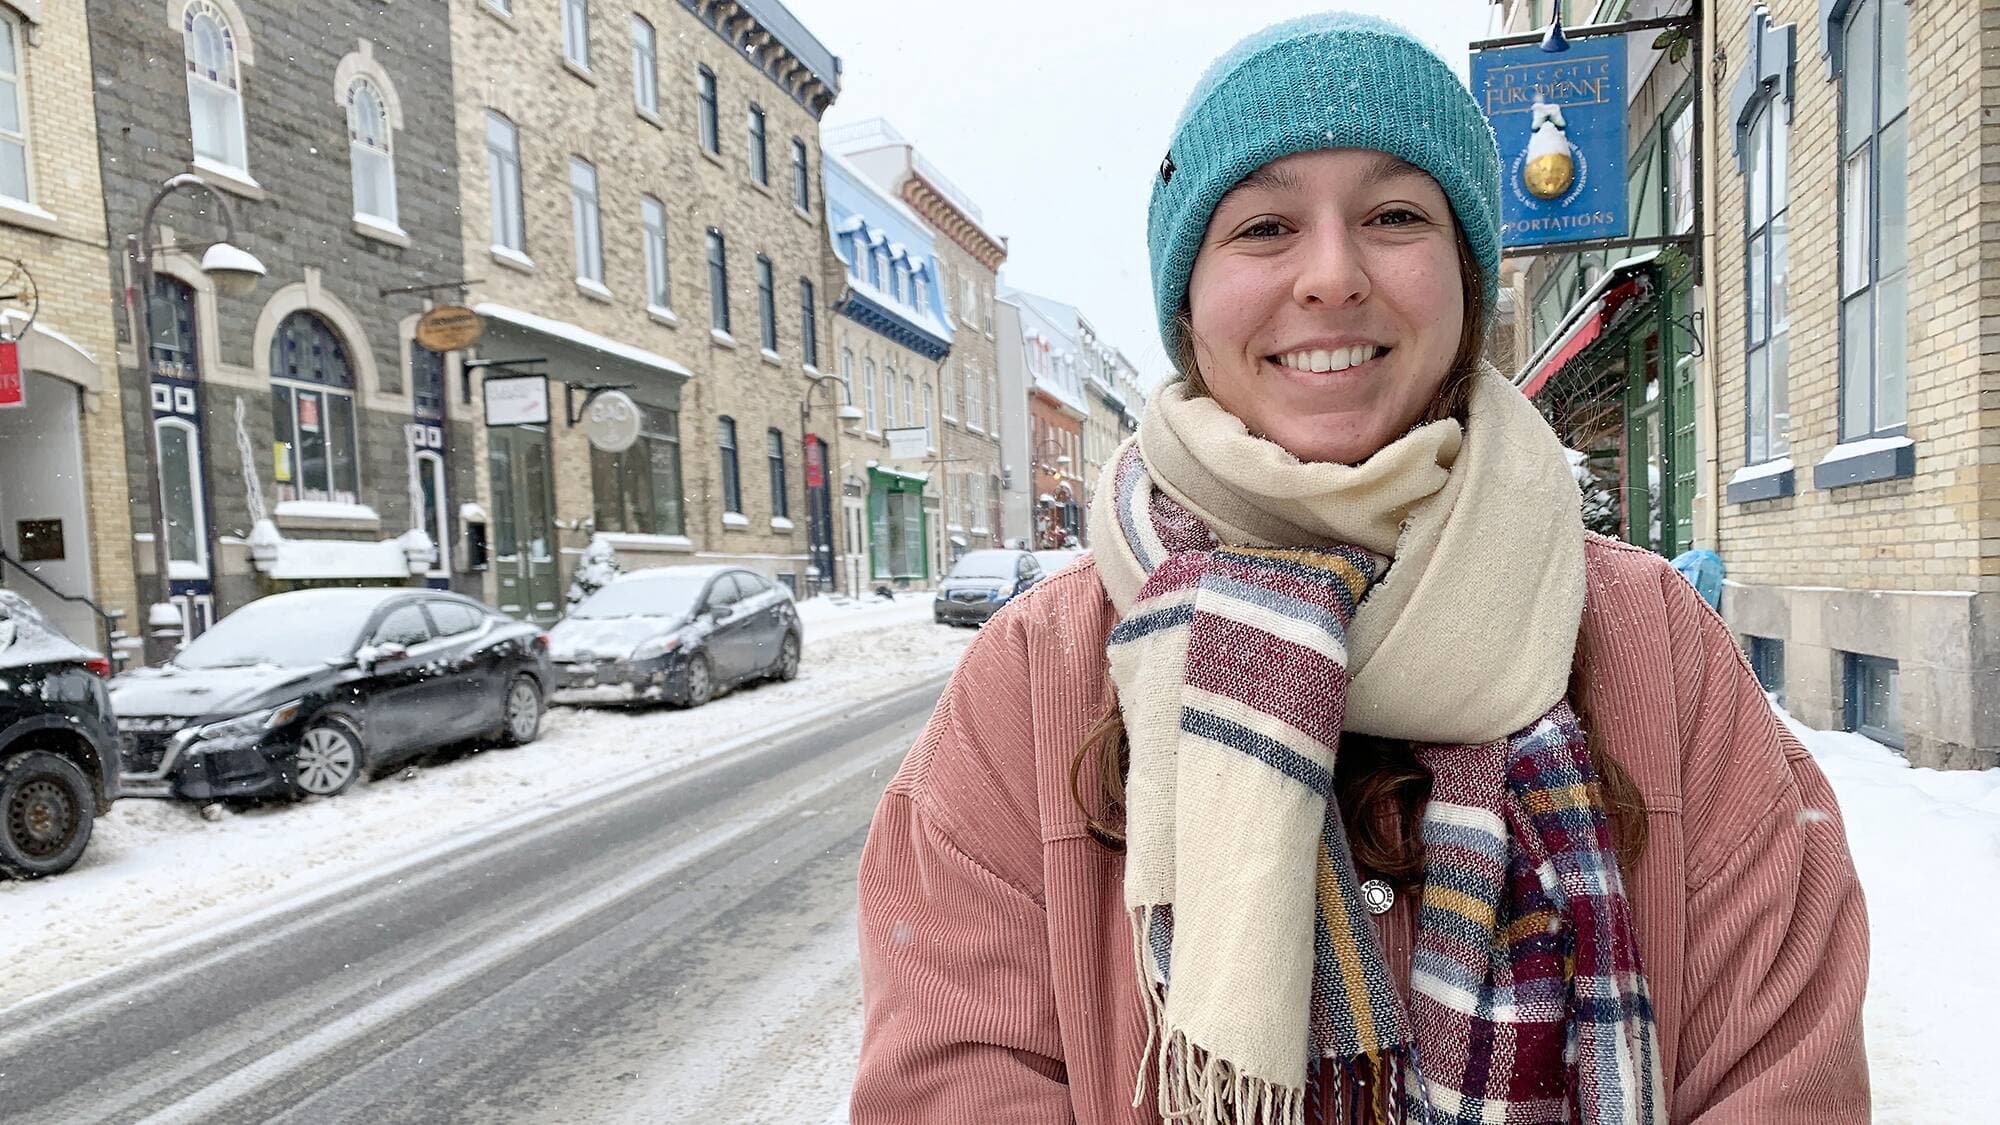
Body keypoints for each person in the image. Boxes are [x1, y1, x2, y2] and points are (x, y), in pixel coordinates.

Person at [851, 14, 1869, 1124]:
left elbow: (1783, 1076)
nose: (1332, 275)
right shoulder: (1032, 678)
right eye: (1263, 227)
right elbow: (956, 1082)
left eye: (1393, 216)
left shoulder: (1655, 643)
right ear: (1188, 307)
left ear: (1465, 281)